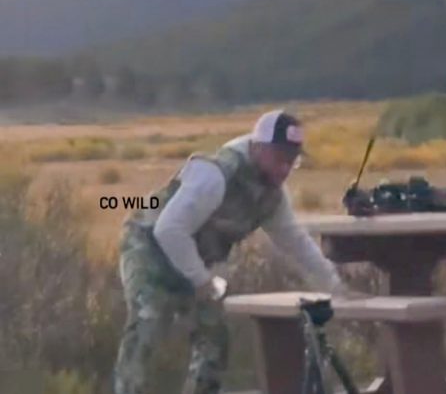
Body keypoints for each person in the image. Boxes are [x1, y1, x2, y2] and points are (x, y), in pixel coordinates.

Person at [113, 109, 354, 394]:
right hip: (149, 245)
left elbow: (296, 243)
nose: (285, 169)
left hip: (195, 260)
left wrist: (336, 287)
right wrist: (201, 280)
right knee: (148, 322)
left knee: (214, 338)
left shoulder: (272, 197)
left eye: (292, 161)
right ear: (259, 147)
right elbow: (169, 230)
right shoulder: (215, 176)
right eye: (280, 158)